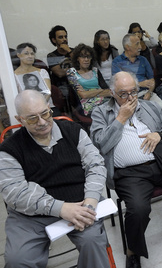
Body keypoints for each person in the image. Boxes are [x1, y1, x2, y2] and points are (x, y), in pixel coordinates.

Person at [91, 72, 162, 268]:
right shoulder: (100, 113)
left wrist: (158, 134)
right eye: (123, 94)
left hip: (161, 163)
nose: (130, 98)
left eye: (133, 92)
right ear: (112, 93)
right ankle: (133, 252)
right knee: (138, 209)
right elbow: (100, 145)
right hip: (129, 173)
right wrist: (120, 118)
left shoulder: (149, 106)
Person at [0, 90, 109, 268]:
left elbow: (95, 165)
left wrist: (90, 203)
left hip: (80, 203)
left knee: (93, 241)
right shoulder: (9, 149)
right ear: (20, 119)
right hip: (31, 215)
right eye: (33, 118)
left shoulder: (73, 131)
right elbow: (15, 193)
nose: (42, 122)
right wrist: (59, 208)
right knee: (17, 260)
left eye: (45, 113)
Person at [112, 33, 162, 108]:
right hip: (128, 97)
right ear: (127, 47)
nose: (140, 47)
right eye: (137, 44)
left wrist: (149, 92)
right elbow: (119, 85)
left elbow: (151, 80)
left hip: (146, 93)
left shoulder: (143, 60)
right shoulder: (117, 62)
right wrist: (139, 84)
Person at [14, 43, 59, 115]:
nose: (30, 56)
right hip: (27, 112)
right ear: (18, 55)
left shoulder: (42, 72)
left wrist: (39, 109)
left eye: (32, 54)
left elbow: (47, 92)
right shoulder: (14, 76)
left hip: (47, 108)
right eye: (26, 53)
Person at [67, 44, 112, 116]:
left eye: (88, 57)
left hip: (105, 101)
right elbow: (83, 95)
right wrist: (100, 90)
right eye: (82, 57)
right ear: (77, 58)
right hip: (87, 106)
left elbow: (108, 91)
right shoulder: (72, 72)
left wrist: (89, 92)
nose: (86, 59)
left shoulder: (95, 70)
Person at [47, 25, 74, 93]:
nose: (64, 39)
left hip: (79, 82)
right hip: (62, 85)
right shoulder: (51, 56)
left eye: (65, 37)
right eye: (60, 37)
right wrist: (76, 68)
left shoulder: (75, 51)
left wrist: (69, 51)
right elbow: (60, 73)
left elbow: (83, 66)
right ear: (54, 40)